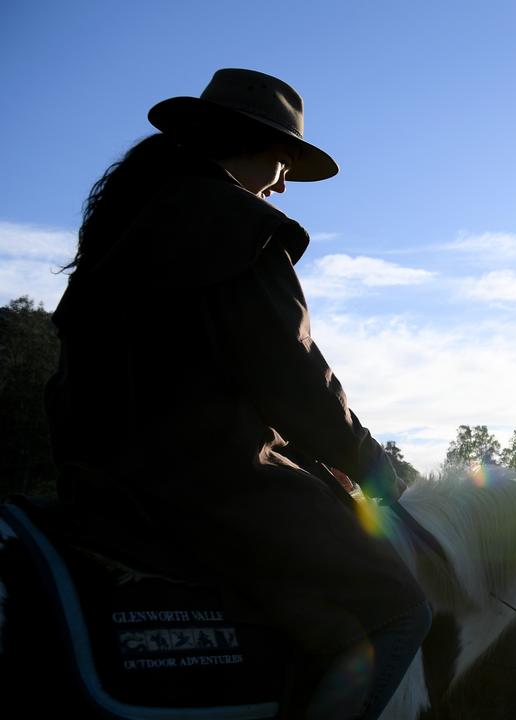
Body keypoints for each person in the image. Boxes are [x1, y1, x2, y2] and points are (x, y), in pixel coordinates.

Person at [45, 68, 430, 719]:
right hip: (213, 483)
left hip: (103, 482)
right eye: (284, 162)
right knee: (400, 607)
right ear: (254, 145)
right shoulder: (243, 226)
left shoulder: (127, 227)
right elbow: (295, 377)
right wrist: (372, 465)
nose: (283, 184)